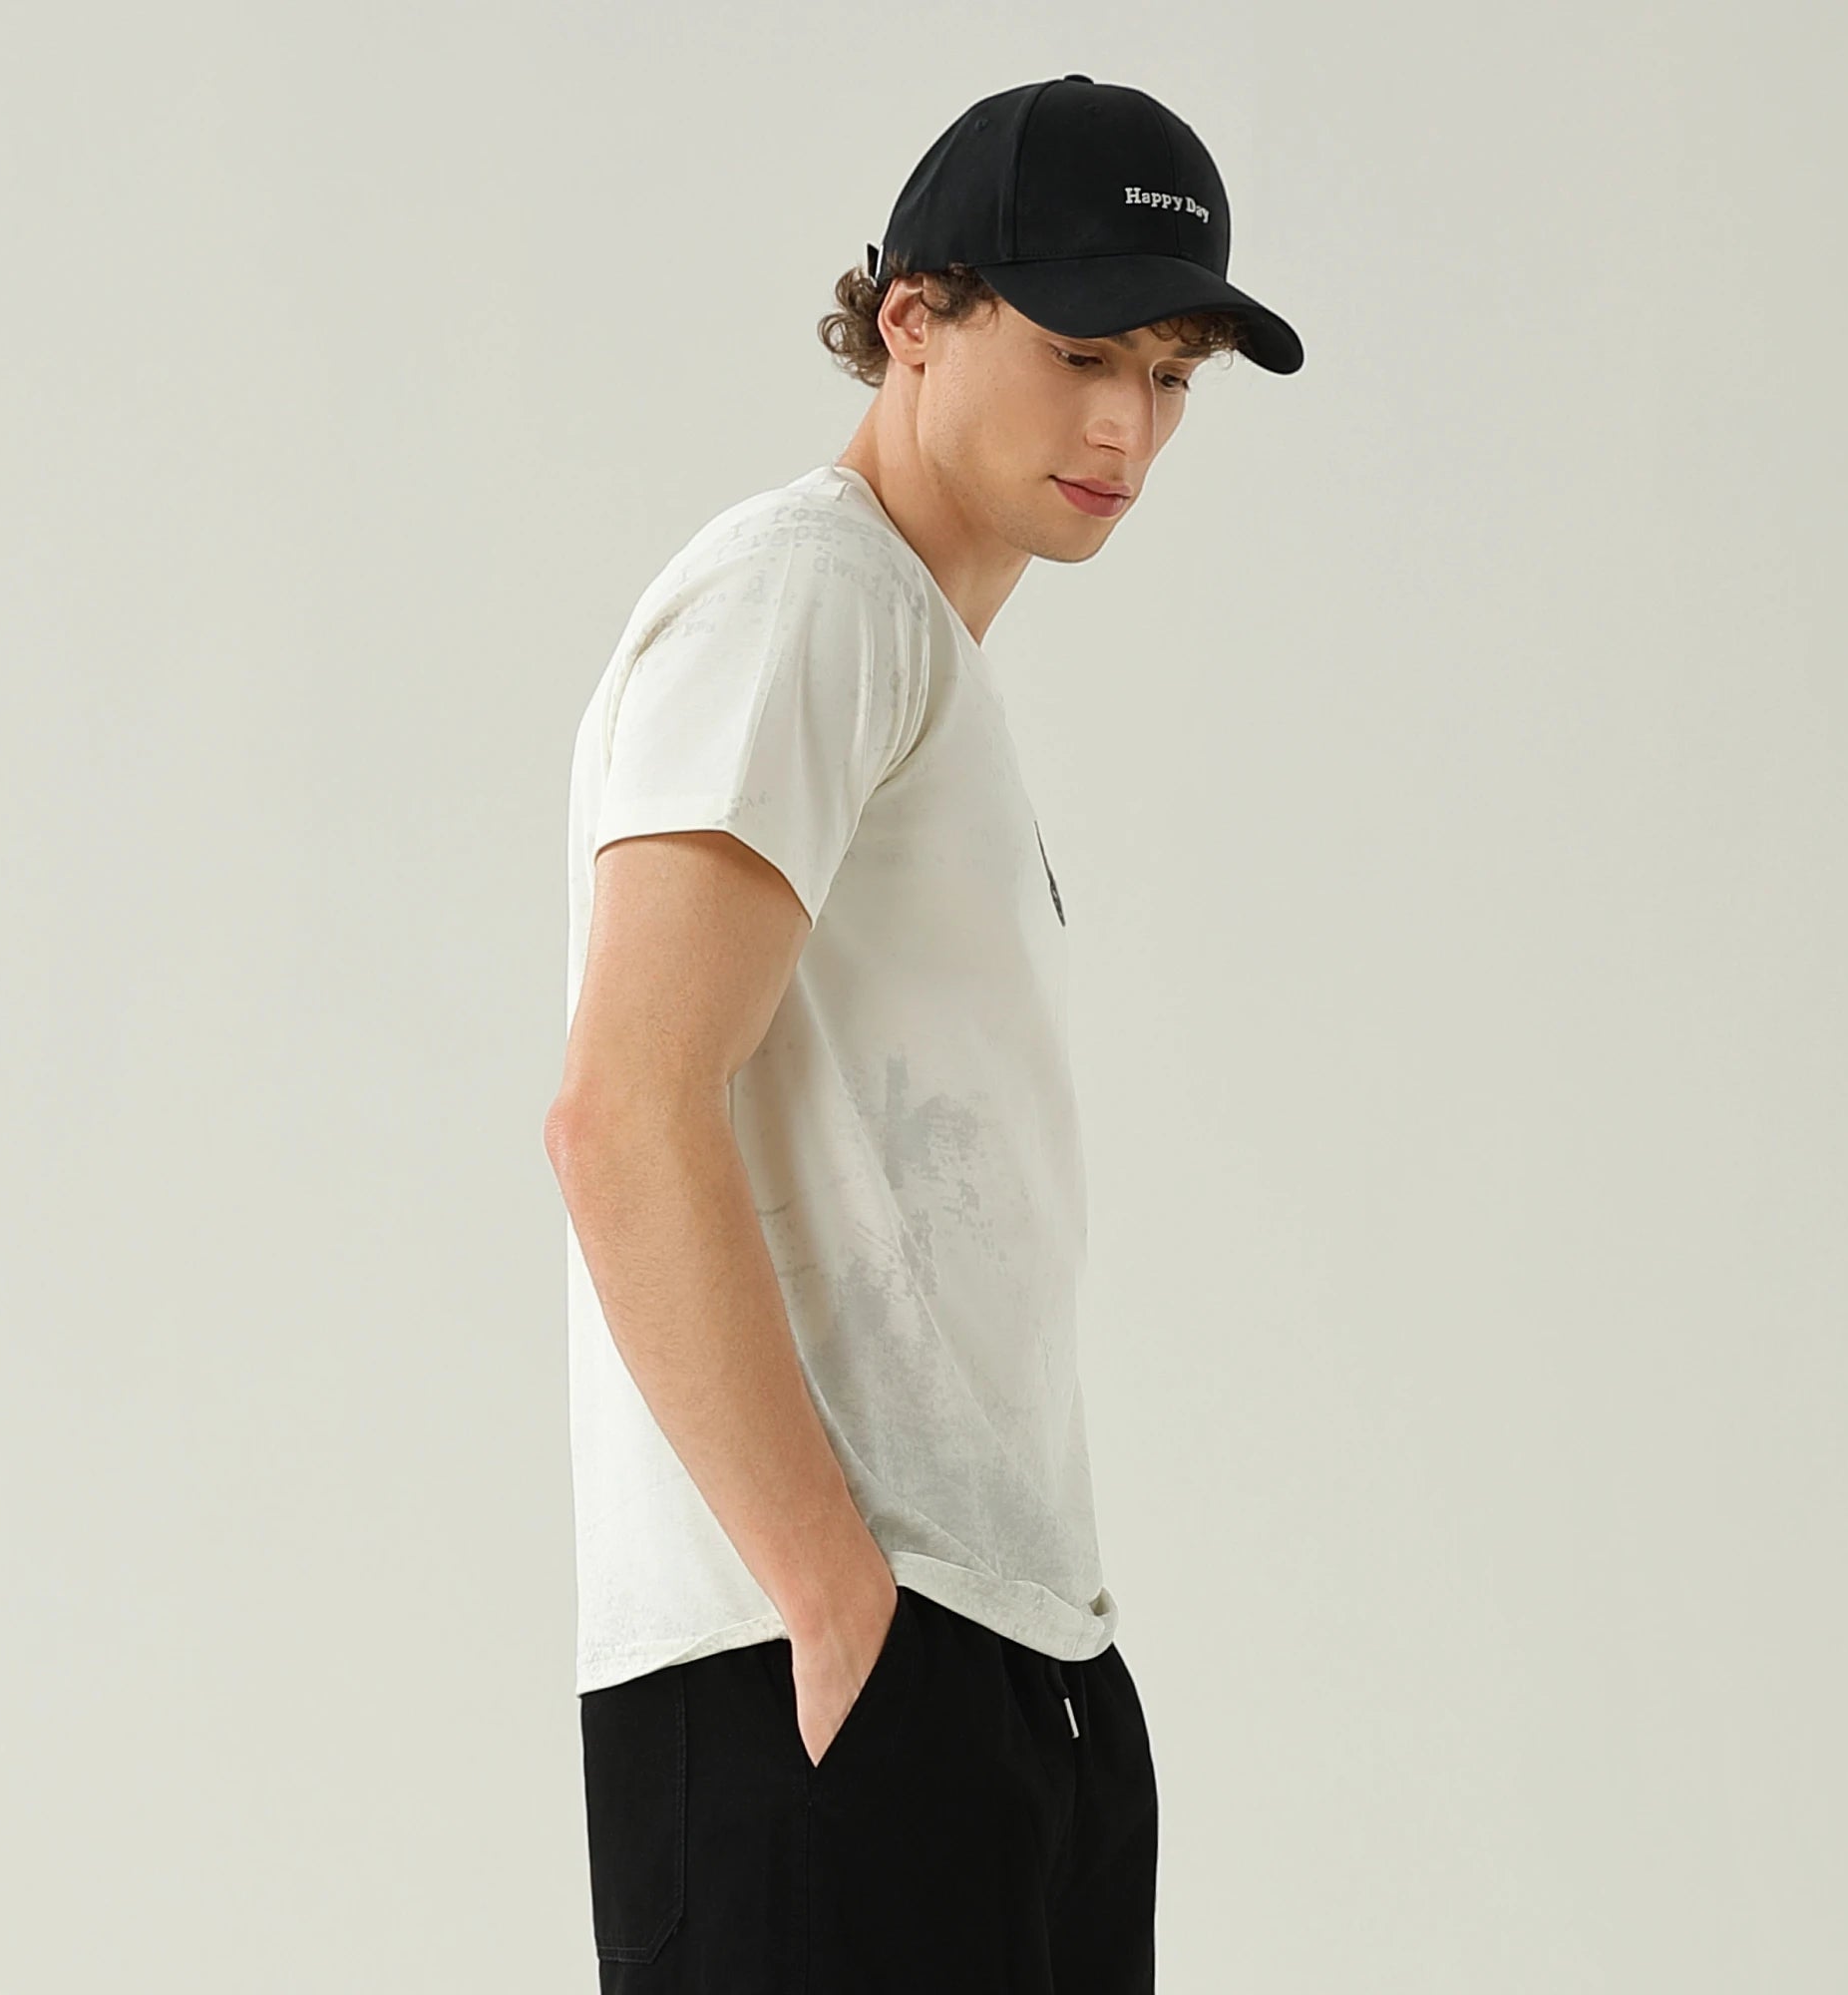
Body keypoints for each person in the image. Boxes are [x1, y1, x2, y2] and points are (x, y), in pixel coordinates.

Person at [542, 72, 1302, 1995]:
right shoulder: (810, 597)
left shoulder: (908, 651)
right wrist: (838, 1611)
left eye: (1173, 375)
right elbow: (623, 1108)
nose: (1128, 425)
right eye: (1080, 352)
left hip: (1005, 1659)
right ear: (915, 320)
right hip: (833, 1676)